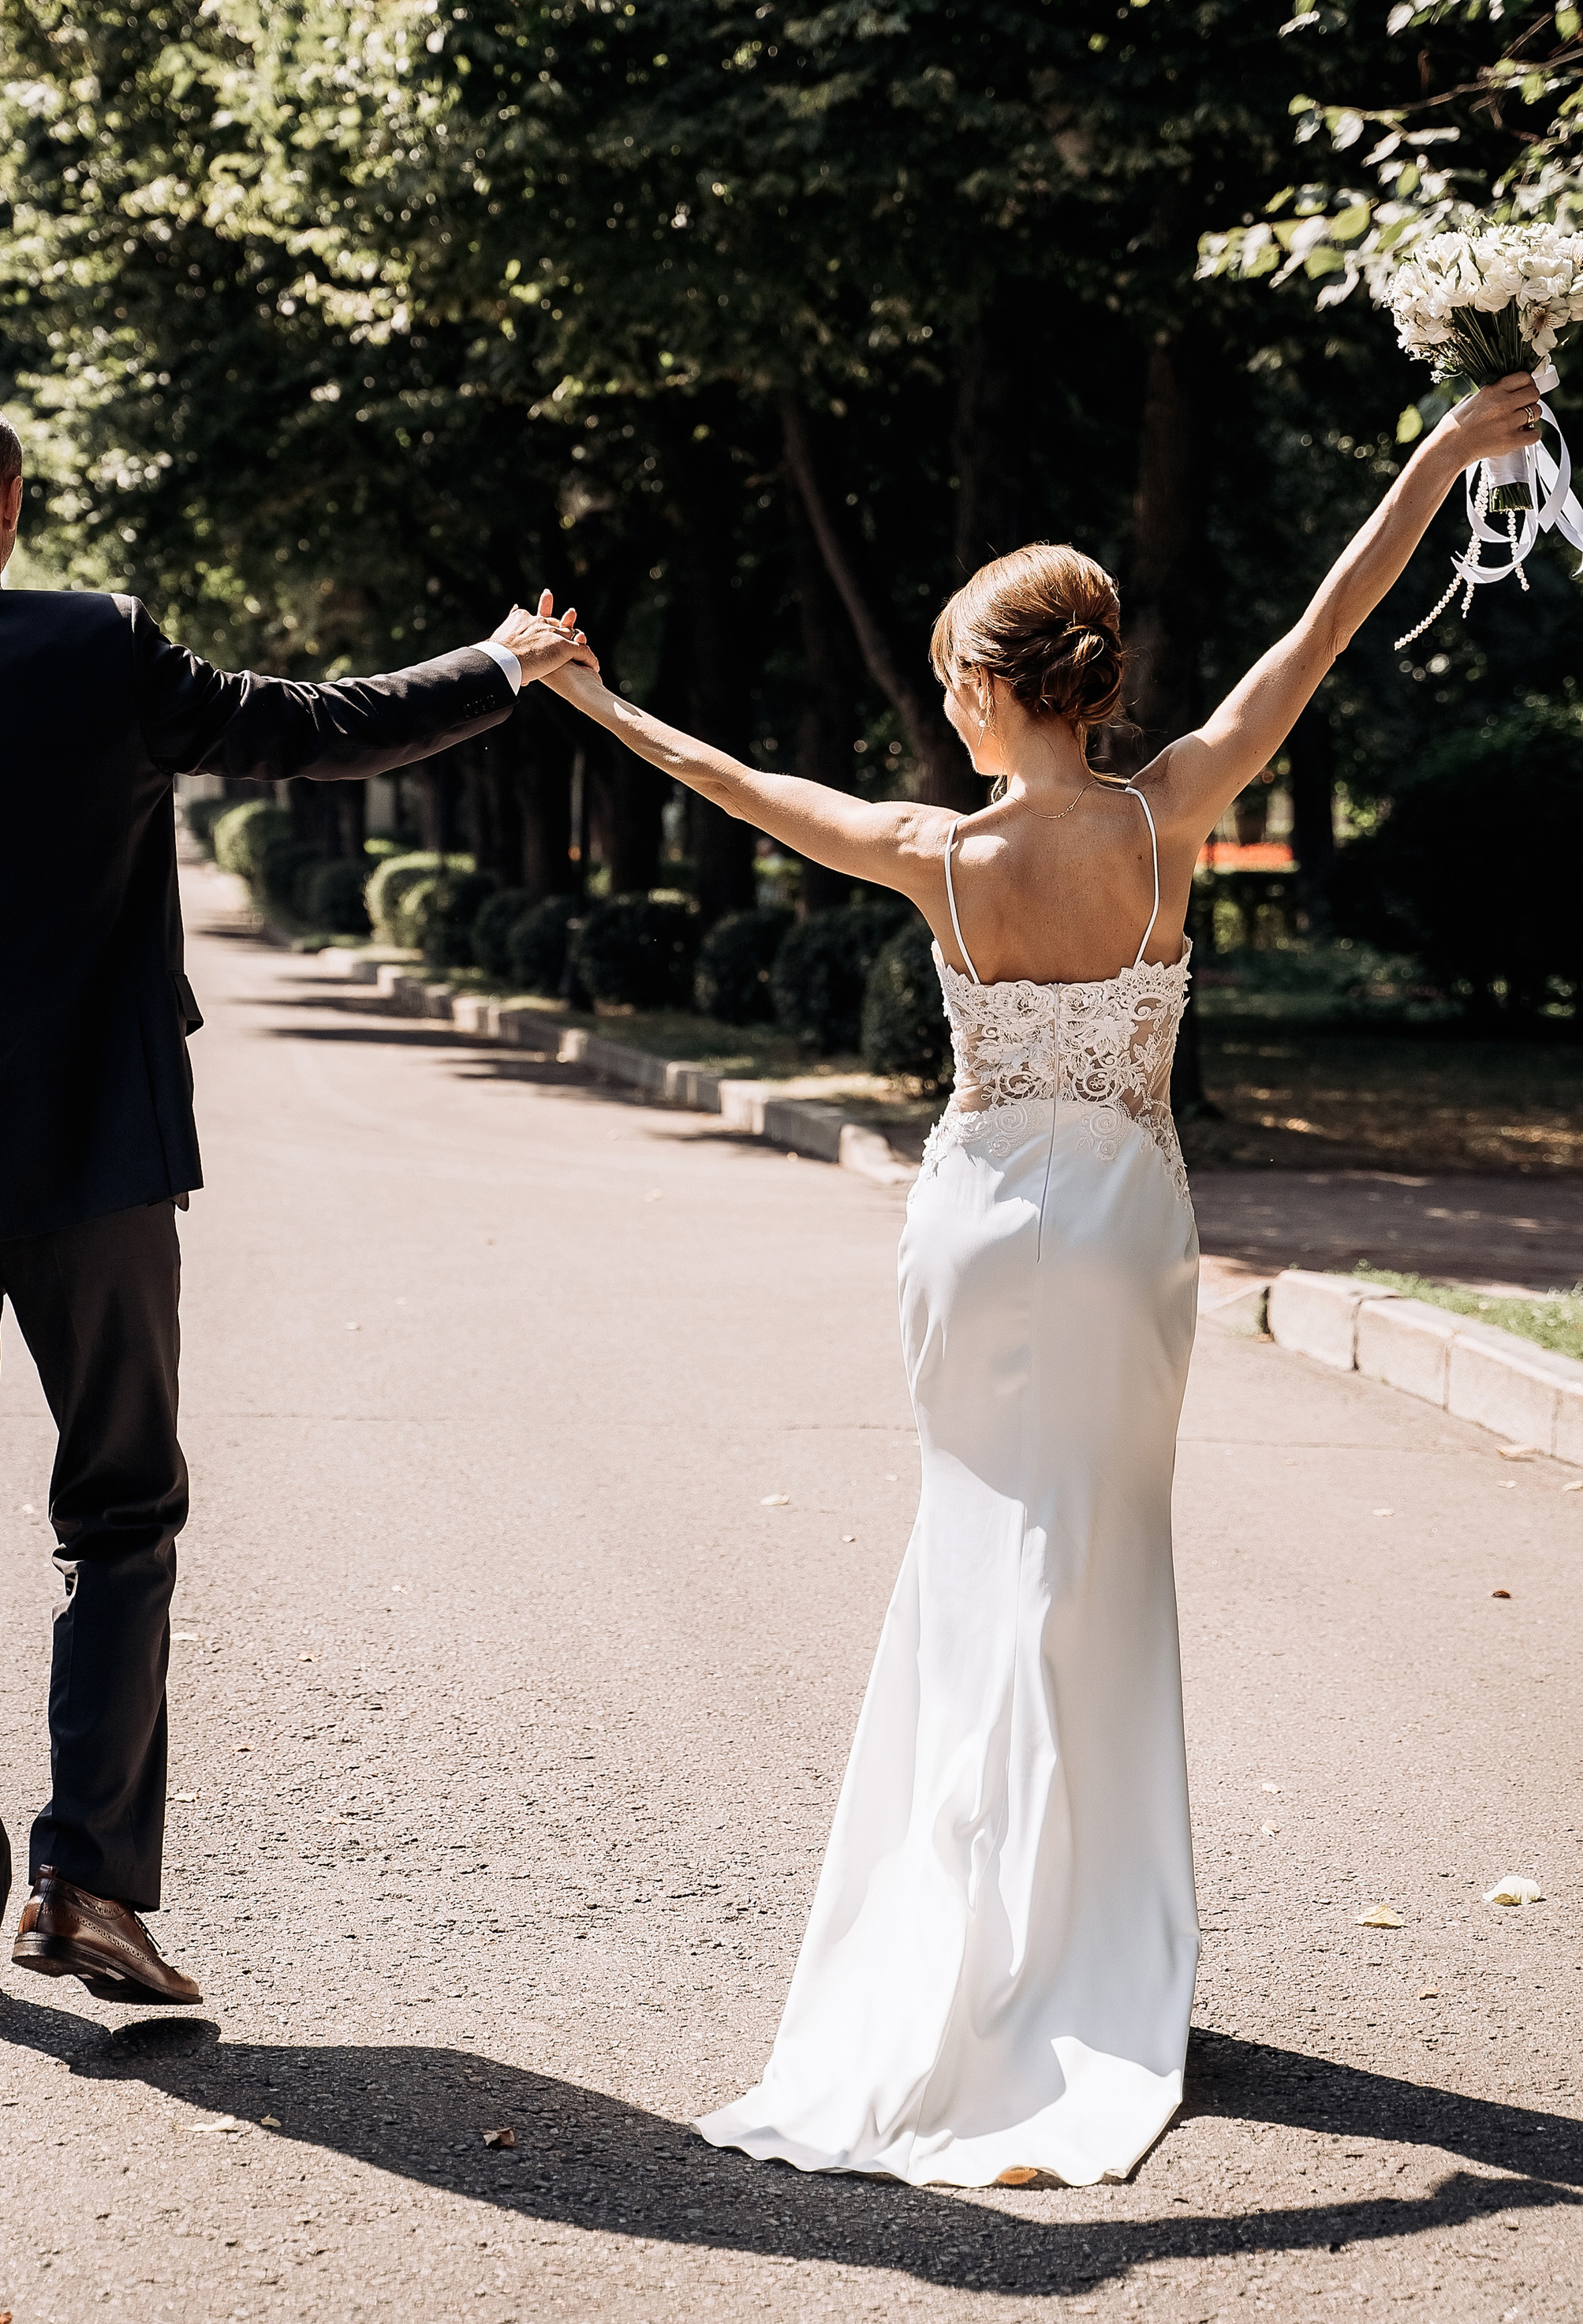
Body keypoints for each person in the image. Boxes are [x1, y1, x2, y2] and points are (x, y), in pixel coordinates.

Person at [544, 371, 1541, 2188]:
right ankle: (1085, 1933)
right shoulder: (1175, 810)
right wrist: (1432, 453)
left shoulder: (939, 854)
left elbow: (728, 782)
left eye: (952, 678)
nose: (944, 703)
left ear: (1002, 690)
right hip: (1120, 1234)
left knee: (974, 1560)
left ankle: (970, 1922)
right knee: (1092, 1570)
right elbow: (1327, 621)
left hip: (973, 1231)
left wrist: (585, 693)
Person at [0, 386, 594, 2027]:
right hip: (97, 1161)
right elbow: (314, 727)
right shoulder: (99, 647)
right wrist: (495, 665)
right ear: (13, 505)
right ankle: (89, 1883)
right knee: (120, 1517)